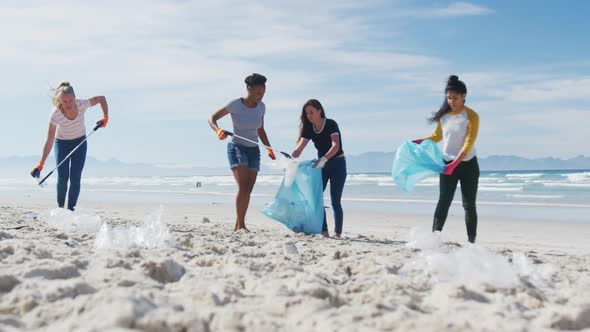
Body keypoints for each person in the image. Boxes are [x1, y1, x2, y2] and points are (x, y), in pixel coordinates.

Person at [413, 75, 480, 243]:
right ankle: (435, 237)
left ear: (464, 96)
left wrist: (456, 163)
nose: (452, 101)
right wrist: (421, 141)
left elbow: (468, 142)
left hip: (468, 164)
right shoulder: (444, 116)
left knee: (469, 204)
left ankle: (471, 242)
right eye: (449, 98)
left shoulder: (471, 116)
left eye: (455, 98)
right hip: (447, 163)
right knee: (444, 201)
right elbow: (437, 136)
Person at [208, 73, 276, 232]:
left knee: (249, 189)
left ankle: (238, 225)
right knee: (244, 187)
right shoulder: (235, 104)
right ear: (249, 89)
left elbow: (261, 130)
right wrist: (218, 130)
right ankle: (242, 225)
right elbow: (212, 118)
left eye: (263, 92)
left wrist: (269, 148)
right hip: (237, 147)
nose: (261, 95)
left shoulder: (261, 107)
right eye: (258, 92)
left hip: (254, 150)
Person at [31, 82, 109, 211]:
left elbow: (102, 99)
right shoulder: (55, 114)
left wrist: (105, 116)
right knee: (63, 177)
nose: (68, 104)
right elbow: (50, 139)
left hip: (80, 143)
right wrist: (41, 163)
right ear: (59, 100)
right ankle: (61, 209)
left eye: (70, 100)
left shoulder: (82, 104)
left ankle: (71, 210)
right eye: (64, 101)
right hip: (61, 144)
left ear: (75, 97)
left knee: (75, 177)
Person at [291, 99, 347, 238]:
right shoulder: (309, 128)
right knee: (316, 198)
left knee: (335, 201)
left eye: (311, 112)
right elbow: (300, 148)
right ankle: (325, 232)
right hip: (322, 164)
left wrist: (323, 160)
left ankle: (338, 233)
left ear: (319, 110)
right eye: (307, 113)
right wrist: (292, 157)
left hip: (337, 163)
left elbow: (336, 146)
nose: (309, 116)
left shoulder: (330, 124)